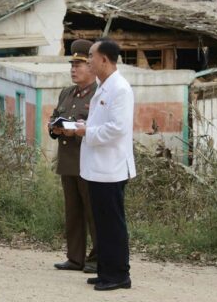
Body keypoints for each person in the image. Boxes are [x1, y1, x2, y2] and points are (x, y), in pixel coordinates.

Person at [75, 38, 136, 291]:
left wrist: (86, 132)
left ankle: (119, 275)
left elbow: (117, 128)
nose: (88, 60)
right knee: (102, 222)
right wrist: (86, 129)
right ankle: (105, 271)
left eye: (90, 55)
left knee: (113, 224)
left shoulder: (120, 88)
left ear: (104, 59)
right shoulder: (103, 86)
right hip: (98, 167)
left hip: (112, 168)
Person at [48, 39, 98, 274]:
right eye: (72, 65)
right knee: (73, 213)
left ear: (92, 66)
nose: (74, 69)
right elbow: (55, 117)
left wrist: (76, 131)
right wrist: (55, 128)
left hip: (89, 162)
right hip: (69, 162)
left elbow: (100, 129)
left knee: (94, 213)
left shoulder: (98, 94)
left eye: (79, 65)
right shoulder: (67, 93)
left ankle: (97, 258)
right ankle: (75, 258)